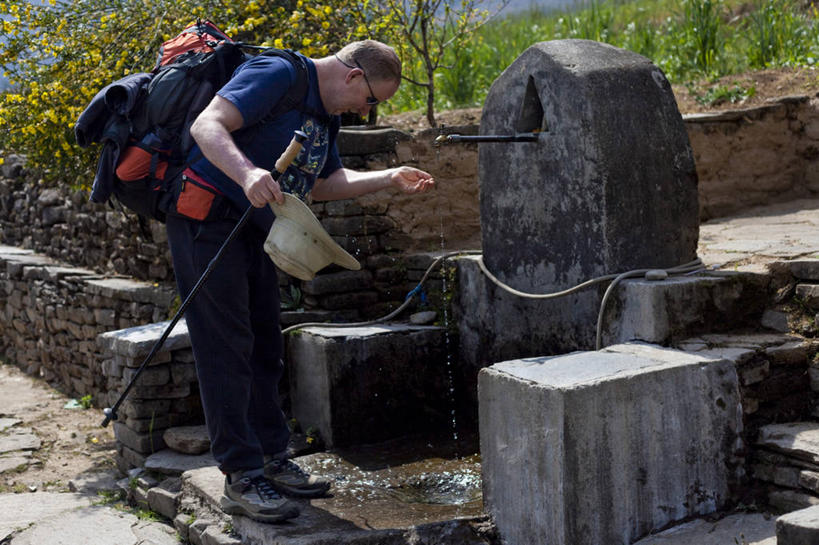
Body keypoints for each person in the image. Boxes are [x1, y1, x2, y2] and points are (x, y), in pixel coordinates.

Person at [164, 39, 435, 523]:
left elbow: (323, 183)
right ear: (354, 76)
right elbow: (207, 125)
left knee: (266, 343)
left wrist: (388, 176)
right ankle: (241, 475)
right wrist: (248, 174)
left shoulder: (325, 114)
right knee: (225, 346)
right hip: (205, 222)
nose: (367, 112)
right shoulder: (278, 73)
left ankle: (272, 458)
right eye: (371, 100)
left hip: (252, 228)